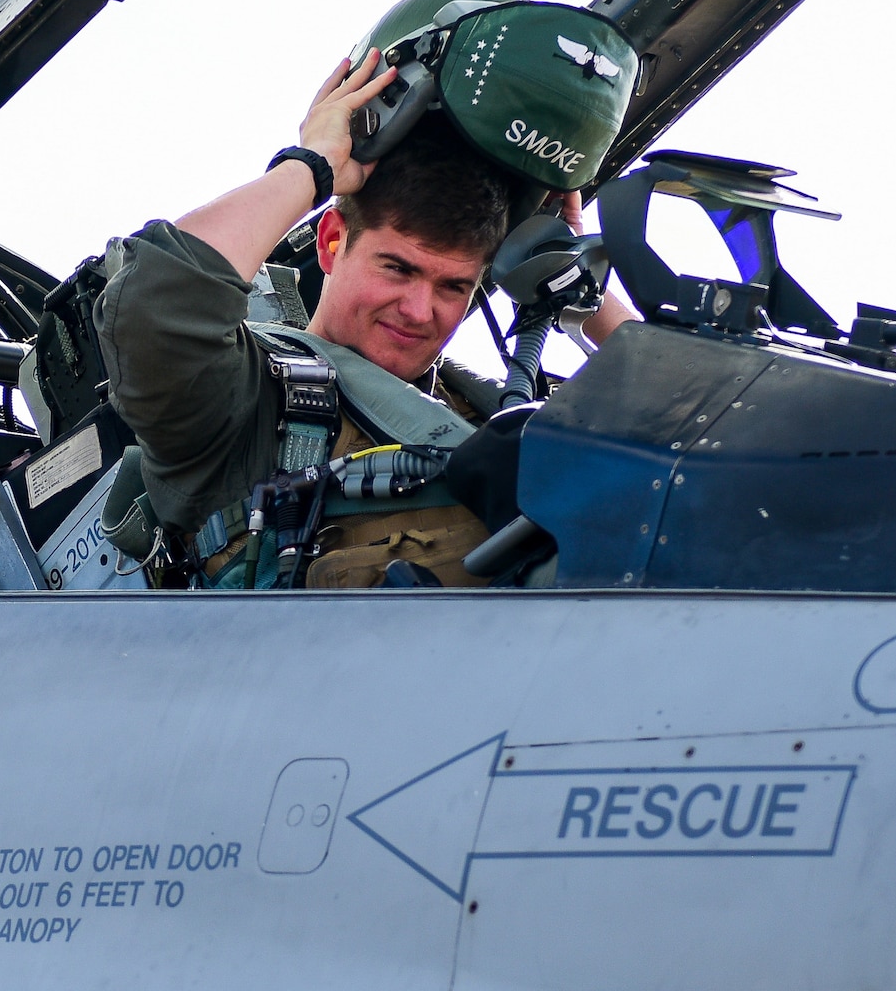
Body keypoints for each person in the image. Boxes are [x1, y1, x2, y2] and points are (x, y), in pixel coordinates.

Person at [97, 44, 634, 590]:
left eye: (454, 285)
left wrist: (569, 271)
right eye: (398, 269)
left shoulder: (493, 410)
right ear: (332, 242)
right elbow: (155, 308)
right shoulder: (245, 402)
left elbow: (693, 425)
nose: (421, 310)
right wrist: (311, 168)